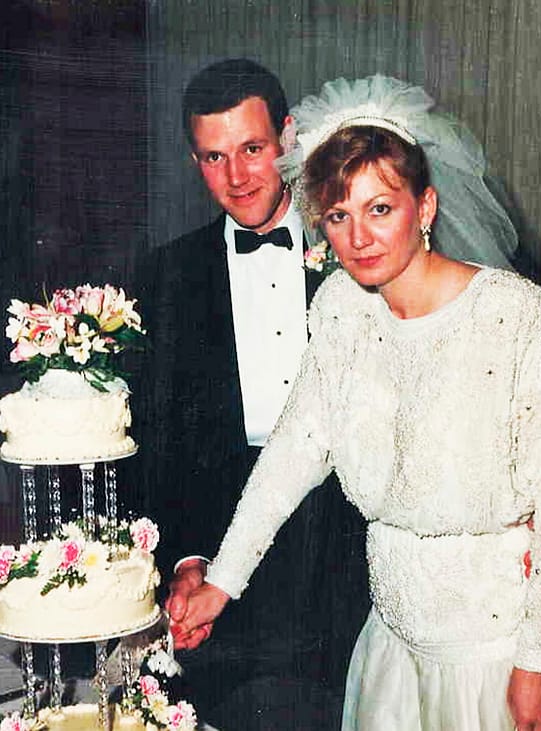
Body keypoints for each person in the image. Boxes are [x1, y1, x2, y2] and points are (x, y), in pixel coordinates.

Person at [177, 75, 541, 731]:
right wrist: (221, 582)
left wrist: (538, 657)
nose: (359, 236)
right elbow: (293, 453)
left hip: (495, 648)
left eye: (379, 208)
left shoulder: (510, 313)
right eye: (338, 215)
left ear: (426, 205)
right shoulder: (339, 308)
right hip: (391, 643)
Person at [130, 60, 368, 724]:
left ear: (288, 137)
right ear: (195, 161)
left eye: (252, 149)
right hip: (225, 535)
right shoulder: (168, 273)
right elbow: (162, 440)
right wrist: (186, 555)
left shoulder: (359, 245)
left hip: (348, 533)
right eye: (214, 157)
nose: (236, 177)